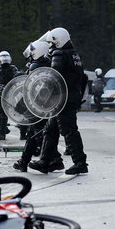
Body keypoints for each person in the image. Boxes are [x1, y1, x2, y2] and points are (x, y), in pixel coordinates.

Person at [29, 27, 88, 175]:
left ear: (57, 41)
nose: (50, 47)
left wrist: (42, 98)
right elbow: (84, 78)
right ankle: (45, 161)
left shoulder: (59, 54)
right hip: (71, 97)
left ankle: (80, 162)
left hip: (61, 100)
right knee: (50, 130)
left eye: (51, 43)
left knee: (69, 131)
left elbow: (52, 77)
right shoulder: (74, 55)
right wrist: (78, 97)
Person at [13, 41, 51, 172]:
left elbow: (30, 89)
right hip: (46, 105)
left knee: (38, 133)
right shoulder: (49, 64)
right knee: (34, 133)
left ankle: (55, 159)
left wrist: (21, 104)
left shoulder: (35, 67)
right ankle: (23, 161)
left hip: (36, 105)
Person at [0, 50, 20, 140]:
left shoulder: (13, 69)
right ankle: (4, 129)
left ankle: (2, 133)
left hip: (8, 94)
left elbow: (16, 79)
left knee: (3, 114)